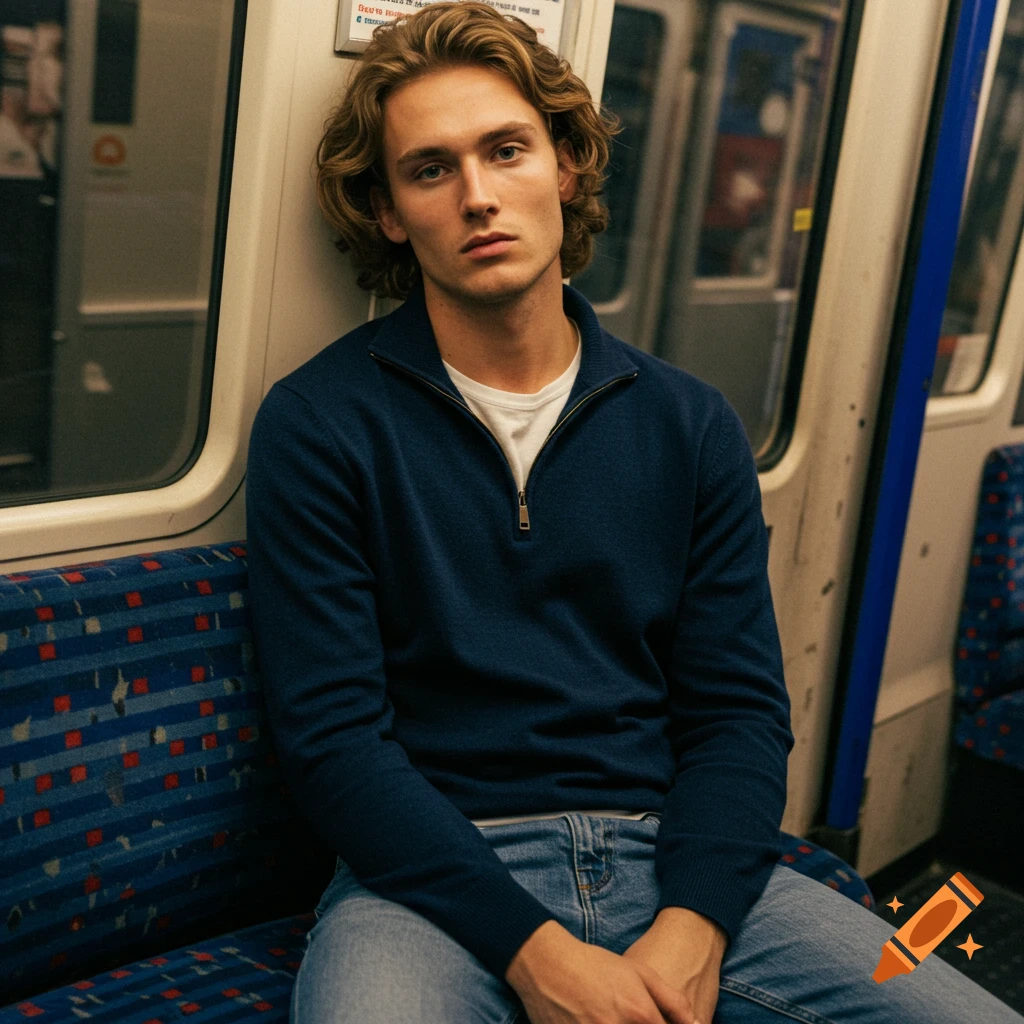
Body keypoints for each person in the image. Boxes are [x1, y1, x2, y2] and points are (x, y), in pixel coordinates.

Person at [244, 4, 1024, 1022]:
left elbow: (738, 713)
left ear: (565, 167)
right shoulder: (320, 423)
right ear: (388, 213)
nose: (478, 195)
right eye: (430, 169)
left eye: (507, 150)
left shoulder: (687, 423)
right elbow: (334, 743)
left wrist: (693, 927)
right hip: (429, 876)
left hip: (668, 848)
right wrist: (540, 956)